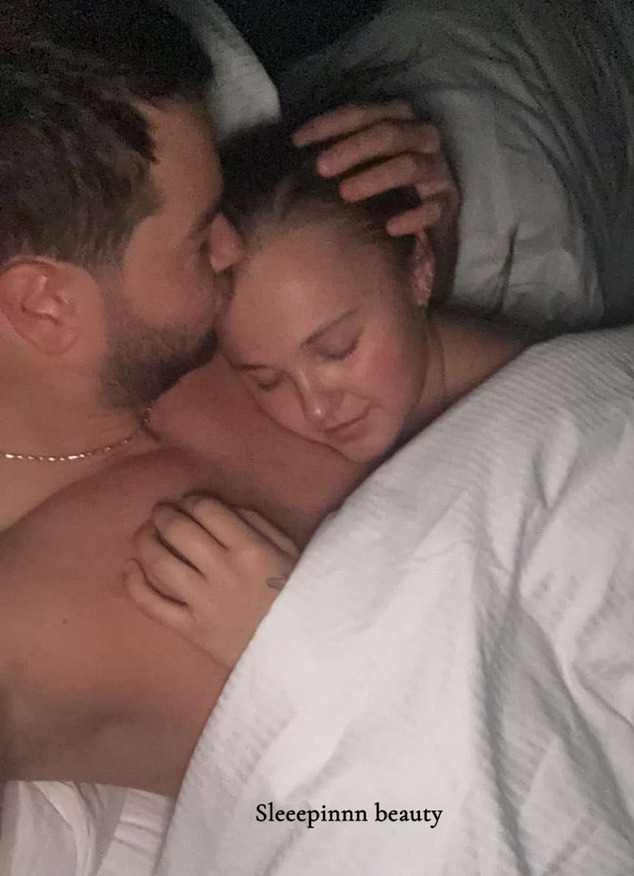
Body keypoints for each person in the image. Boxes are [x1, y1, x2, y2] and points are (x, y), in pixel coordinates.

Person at [0, 0, 457, 802]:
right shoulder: (28, 625)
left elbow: (445, 382)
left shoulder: (211, 324)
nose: (231, 248)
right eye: (199, 232)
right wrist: (311, 656)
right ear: (42, 306)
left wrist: (411, 235)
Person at [121, 124, 525, 667]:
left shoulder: (562, 434)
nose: (314, 408)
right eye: (266, 379)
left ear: (422, 268)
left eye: (337, 348)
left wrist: (297, 641)